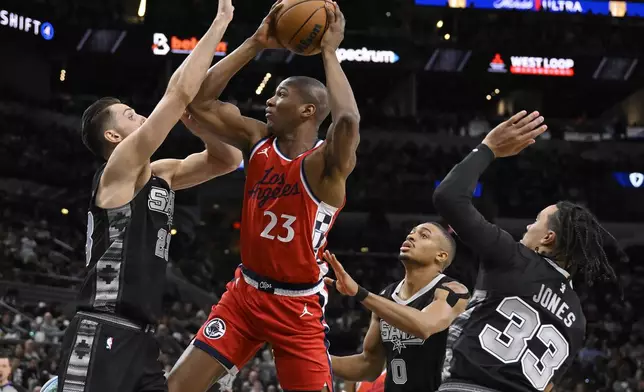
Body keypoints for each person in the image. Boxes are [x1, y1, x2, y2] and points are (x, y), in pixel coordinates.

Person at [167, 2, 360, 392]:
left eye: (280, 94)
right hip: (245, 295)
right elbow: (199, 101)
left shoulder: (325, 165)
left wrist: (329, 53)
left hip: (297, 306)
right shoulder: (257, 141)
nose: (269, 101)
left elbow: (347, 120)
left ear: (308, 110)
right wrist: (255, 42)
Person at [56, 2, 242, 392]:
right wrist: (221, 22)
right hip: (102, 326)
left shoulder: (162, 174)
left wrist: (200, 124)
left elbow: (229, 159)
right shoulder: (117, 171)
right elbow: (177, 93)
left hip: (141, 338)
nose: (139, 116)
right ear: (113, 138)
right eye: (128, 115)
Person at [433, 111, 623, 392]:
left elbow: (448, 196)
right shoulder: (577, 317)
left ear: (547, 237)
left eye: (535, 221)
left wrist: (487, 149)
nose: (527, 226)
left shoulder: (514, 257)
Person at [323, 222, 470, 392]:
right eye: (412, 232)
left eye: (424, 235)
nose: (411, 236)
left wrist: (360, 293)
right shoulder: (386, 295)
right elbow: (368, 365)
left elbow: (424, 325)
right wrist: (316, 358)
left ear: (441, 255)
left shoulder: (453, 291)